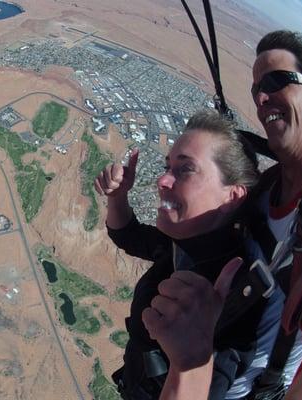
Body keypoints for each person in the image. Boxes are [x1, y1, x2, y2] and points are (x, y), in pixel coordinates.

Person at [143, 30, 302, 400]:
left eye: (278, 80)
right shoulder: (268, 189)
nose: (262, 98)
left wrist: (193, 363)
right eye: (255, 89)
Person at [94, 109, 262, 399]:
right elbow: (129, 236)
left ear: (232, 196)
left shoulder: (232, 293)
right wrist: (117, 197)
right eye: (167, 166)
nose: (162, 180)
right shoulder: (186, 243)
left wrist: (191, 362)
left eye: (185, 169)